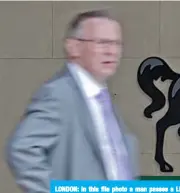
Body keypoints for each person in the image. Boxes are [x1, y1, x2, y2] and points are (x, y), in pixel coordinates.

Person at [5, 10, 140, 193]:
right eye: (102, 43)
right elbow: (22, 150)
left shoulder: (100, 97)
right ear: (73, 47)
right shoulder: (59, 94)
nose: (112, 51)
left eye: (117, 44)